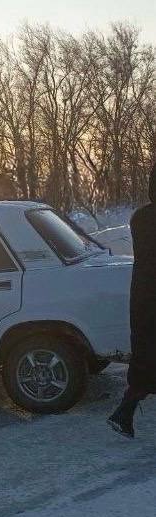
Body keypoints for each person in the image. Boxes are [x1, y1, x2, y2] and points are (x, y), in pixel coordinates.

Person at [108, 164, 156, 438]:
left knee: (147, 360)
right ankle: (123, 413)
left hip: (143, 299)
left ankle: (124, 413)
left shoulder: (140, 217)